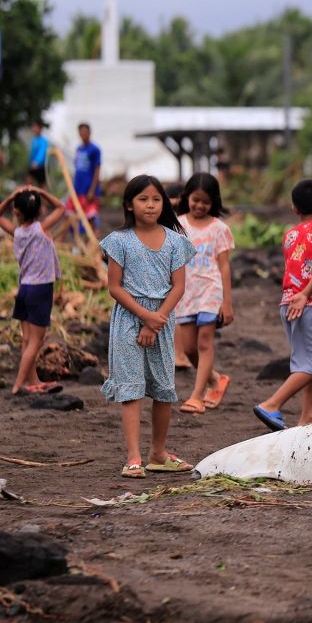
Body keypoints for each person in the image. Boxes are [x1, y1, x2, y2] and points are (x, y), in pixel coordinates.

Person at [100, 175, 196, 479]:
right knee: (131, 389)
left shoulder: (176, 241)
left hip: (163, 321)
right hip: (129, 320)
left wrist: (156, 320)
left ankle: (158, 453)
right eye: (143, 199)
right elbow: (114, 287)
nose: (151, 205)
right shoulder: (119, 241)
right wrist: (145, 316)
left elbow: (178, 287)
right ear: (129, 204)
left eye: (156, 199)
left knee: (163, 389)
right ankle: (133, 457)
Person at [253, 179, 312, 431]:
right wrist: (306, 294)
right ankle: (271, 404)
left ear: (293, 208)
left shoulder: (289, 234)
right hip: (305, 302)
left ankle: (308, 415)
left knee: (307, 360)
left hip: (288, 302)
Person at [174, 173, 235, 415]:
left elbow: (224, 266)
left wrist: (227, 303)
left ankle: (196, 396)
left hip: (211, 290)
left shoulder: (219, 228)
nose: (199, 206)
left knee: (204, 343)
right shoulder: (178, 226)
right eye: (195, 200)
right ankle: (216, 379)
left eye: (205, 202)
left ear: (214, 203)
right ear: (187, 197)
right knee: (188, 349)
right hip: (186, 293)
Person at [0, 186, 66, 395]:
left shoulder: (17, 232)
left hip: (24, 289)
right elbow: (61, 207)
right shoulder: (42, 229)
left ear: (16, 211)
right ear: (39, 211)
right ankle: (18, 385)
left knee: (27, 340)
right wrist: (41, 191)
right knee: (36, 342)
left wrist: (11, 196)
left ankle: (33, 381)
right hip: (40, 291)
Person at [165, 181, 192, 371]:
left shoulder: (168, 222)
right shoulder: (183, 222)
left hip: (175, 272)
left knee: (176, 313)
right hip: (183, 273)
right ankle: (180, 355)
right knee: (179, 314)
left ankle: (179, 354)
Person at [66, 122, 102, 231]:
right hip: (78, 190)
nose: (83, 134)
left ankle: (95, 243)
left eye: (85, 132)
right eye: (81, 132)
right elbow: (77, 170)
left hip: (89, 190)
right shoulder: (79, 149)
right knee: (70, 216)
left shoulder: (95, 150)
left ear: (89, 133)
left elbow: (97, 170)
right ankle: (77, 242)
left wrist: (92, 190)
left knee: (90, 218)